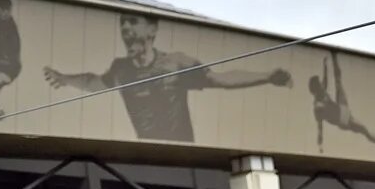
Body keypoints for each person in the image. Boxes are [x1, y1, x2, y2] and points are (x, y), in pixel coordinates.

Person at [44, 12, 291, 142]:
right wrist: (65, 78)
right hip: (145, 152)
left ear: (152, 29)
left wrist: (267, 76)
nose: (125, 29)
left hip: (184, 151)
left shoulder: (176, 63)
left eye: (132, 22)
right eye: (123, 25)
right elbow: (94, 82)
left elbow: (221, 79)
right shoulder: (120, 69)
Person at [308, 50, 375, 152]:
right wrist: (320, 146)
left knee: (338, 81)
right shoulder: (318, 107)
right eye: (320, 85)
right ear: (316, 90)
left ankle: (335, 56)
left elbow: (325, 78)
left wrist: (325, 64)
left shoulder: (322, 91)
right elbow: (320, 128)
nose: (322, 86)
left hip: (341, 107)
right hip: (342, 120)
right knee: (364, 129)